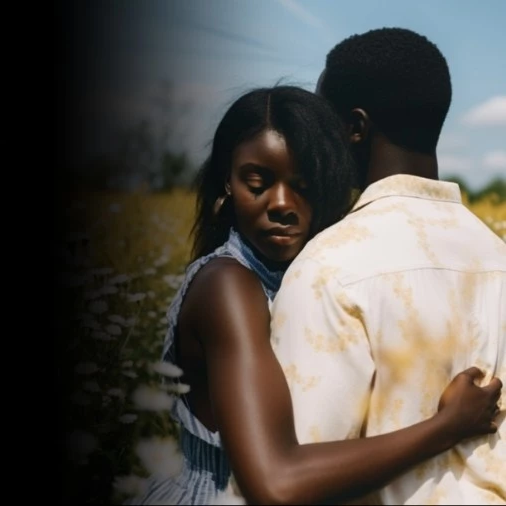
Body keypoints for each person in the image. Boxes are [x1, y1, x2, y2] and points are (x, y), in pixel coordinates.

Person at [129, 85, 502, 505]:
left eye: (304, 184)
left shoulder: (312, 273)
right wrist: (447, 427)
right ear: (227, 183)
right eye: (257, 183)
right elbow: (275, 485)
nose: (282, 203)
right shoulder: (228, 288)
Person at [264, 28, 506, 504]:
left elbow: (299, 473)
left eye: (322, 125)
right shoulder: (497, 257)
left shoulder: (328, 268)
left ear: (355, 128)